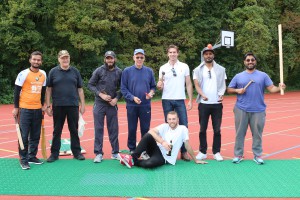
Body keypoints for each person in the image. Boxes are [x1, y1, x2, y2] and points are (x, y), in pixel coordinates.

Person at [227, 52, 286, 164]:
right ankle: (238, 154)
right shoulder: (238, 76)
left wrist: (279, 88)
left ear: (255, 61)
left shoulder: (263, 75)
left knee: (257, 134)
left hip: (258, 110)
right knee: (240, 133)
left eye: (252, 60)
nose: (250, 62)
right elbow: (229, 89)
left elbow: (271, 88)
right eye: (248, 60)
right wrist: (237, 90)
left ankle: (257, 155)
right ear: (244, 62)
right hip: (241, 109)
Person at [118, 111, 207, 168]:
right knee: (148, 135)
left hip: (164, 158)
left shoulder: (183, 129)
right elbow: (151, 131)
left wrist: (195, 159)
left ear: (177, 120)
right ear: (167, 120)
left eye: (174, 119)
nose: (171, 121)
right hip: (156, 149)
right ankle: (132, 157)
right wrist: (162, 142)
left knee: (149, 164)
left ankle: (134, 161)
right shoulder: (165, 126)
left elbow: (187, 145)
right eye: (169, 119)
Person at [45, 50, 86, 162]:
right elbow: (48, 90)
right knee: (57, 130)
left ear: (69, 58)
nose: (65, 60)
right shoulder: (53, 72)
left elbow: (80, 89)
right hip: (58, 106)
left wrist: (83, 104)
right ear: (59, 59)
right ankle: (54, 154)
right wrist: (48, 106)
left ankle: (77, 152)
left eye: (67, 57)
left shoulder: (75, 71)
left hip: (73, 105)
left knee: (74, 130)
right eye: (63, 58)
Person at [156, 45, 193, 161]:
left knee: (183, 125)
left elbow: (188, 83)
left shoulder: (184, 66)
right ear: (167, 54)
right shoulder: (163, 68)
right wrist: (159, 86)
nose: (172, 54)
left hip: (180, 99)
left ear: (178, 53)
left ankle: (183, 152)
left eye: (174, 52)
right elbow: (160, 85)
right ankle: (168, 150)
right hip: (166, 100)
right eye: (170, 52)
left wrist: (190, 100)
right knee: (168, 127)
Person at [12, 51, 47, 170]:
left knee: (35, 135)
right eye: (34, 59)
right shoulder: (23, 74)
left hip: (37, 109)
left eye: (38, 60)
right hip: (25, 109)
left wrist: (43, 105)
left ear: (41, 61)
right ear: (30, 60)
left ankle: (32, 156)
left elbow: (43, 92)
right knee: (23, 135)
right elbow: (16, 92)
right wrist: (16, 108)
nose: (36, 61)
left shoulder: (43, 74)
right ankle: (23, 159)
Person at [192, 44, 227, 161]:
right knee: (202, 129)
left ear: (213, 55)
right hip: (203, 104)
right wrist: (202, 95)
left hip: (217, 104)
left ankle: (216, 152)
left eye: (210, 53)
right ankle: (202, 151)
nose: (208, 55)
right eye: (206, 54)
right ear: (203, 56)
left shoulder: (221, 69)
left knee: (217, 129)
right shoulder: (197, 70)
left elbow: (223, 84)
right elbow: (196, 85)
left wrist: (222, 94)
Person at [88, 51, 122, 163]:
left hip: (112, 104)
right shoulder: (99, 70)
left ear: (114, 59)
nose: (109, 60)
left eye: (111, 58)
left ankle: (115, 152)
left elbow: (123, 88)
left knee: (113, 129)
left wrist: (116, 99)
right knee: (98, 129)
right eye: (107, 58)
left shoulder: (119, 72)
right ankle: (98, 153)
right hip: (99, 104)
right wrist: (101, 94)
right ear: (104, 59)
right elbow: (90, 85)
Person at [120, 49, 156, 152]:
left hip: (145, 105)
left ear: (144, 58)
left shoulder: (149, 71)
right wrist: (132, 97)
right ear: (133, 58)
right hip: (132, 105)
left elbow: (153, 86)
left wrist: (151, 93)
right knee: (132, 129)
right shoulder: (127, 71)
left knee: (145, 129)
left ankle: (144, 149)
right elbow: (123, 88)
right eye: (137, 57)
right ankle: (132, 149)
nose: (139, 59)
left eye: (141, 57)